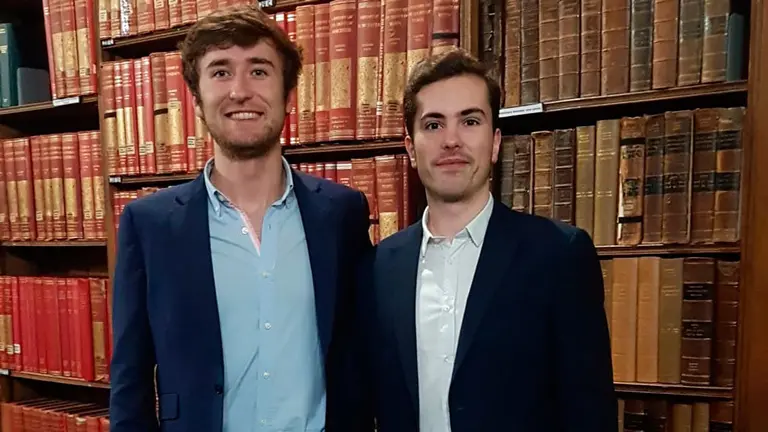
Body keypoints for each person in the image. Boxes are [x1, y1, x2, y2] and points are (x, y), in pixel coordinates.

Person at [109, 5, 373, 432]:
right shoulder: (149, 225)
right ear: (196, 100)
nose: (239, 91)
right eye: (220, 72)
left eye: (259, 70)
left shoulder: (341, 214)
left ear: (288, 94)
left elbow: (360, 355)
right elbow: (130, 379)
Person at [357, 49, 617, 431]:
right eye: (433, 125)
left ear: (495, 143)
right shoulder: (379, 266)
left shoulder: (559, 255)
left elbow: (589, 412)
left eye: (470, 121)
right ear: (410, 149)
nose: (451, 140)